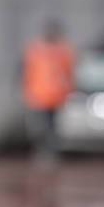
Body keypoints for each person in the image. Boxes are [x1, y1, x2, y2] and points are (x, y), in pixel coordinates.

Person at [23, 19, 75, 159]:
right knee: (39, 127)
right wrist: (27, 91)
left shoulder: (63, 50)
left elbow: (69, 73)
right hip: (38, 96)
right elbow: (27, 71)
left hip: (56, 97)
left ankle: (49, 153)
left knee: (53, 127)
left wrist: (69, 91)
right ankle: (42, 151)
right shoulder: (35, 49)